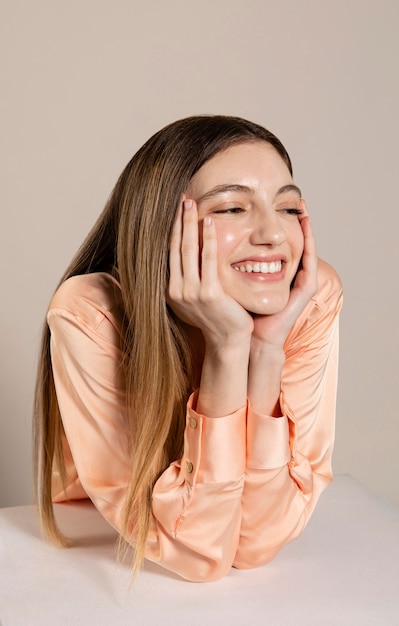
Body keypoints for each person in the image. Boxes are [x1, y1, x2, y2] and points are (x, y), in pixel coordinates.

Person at [33, 115, 343, 582]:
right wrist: (225, 347)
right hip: (86, 556)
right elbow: (200, 557)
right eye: (233, 209)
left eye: (287, 208)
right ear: (164, 225)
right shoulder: (89, 315)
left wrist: (265, 351)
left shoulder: (310, 296)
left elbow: (258, 543)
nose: (274, 235)